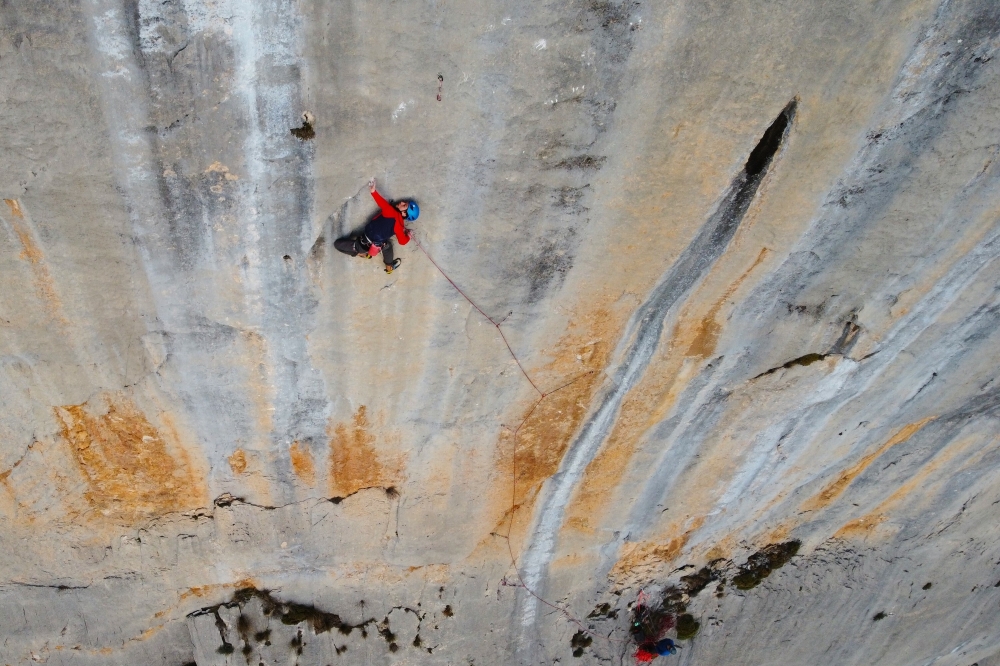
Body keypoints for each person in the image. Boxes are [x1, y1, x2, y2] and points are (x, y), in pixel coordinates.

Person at [334, 178, 419, 274]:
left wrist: (373, 191)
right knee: (387, 246)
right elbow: (402, 241)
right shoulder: (400, 226)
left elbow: (383, 204)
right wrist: (409, 235)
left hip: (362, 245)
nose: (402, 202)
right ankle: (389, 267)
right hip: (378, 244)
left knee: (337, 244)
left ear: (404, 214)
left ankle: (361, 254)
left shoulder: (391, 212)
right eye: (405, 203)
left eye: (404, 205)